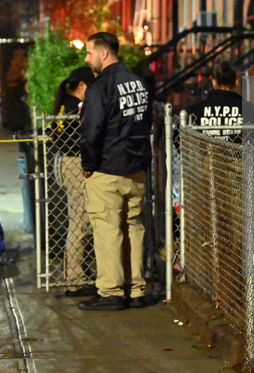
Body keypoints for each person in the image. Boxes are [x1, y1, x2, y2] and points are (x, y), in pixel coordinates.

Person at [78, 32, 152, 310]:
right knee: (134, 227)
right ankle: (136, 289)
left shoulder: (101, 87)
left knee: (107, 230)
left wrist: (88, 165)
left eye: (89, 53)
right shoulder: (138, 82)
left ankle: (110, 292)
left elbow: (91, 131)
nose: (87, 59)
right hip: (136, 167)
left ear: (104, 53)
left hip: (107, 168)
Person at [53, 66, 96, 297]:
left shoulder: (64, 104)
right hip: (74, 163)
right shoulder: (76, 106)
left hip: (66, 162)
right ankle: (74, 278)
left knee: (80, 218)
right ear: (82, 86)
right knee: (81, 220)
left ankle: (77, 269)